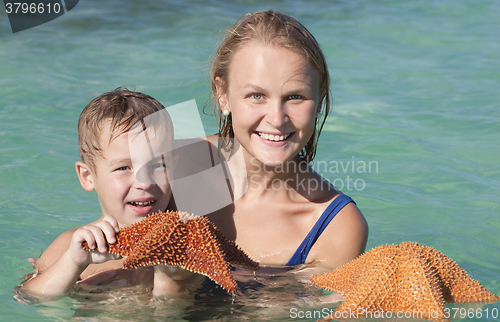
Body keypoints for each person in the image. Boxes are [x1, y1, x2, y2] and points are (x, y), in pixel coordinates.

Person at [205, 11, 368, 270]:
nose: (277, 119)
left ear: (320, 100)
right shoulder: (179, 168)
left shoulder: (332, 226)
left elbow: (322, 312)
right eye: (256, 95)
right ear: (222, 95)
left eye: (295, 97)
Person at [17, 89, 188, 302]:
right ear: (88, 177)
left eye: (158, 165)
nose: (145, 182)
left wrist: (171, 281)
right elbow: (26, 297)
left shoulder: (188, 245)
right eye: (124, 168)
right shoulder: (73, 245)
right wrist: (73, 262)